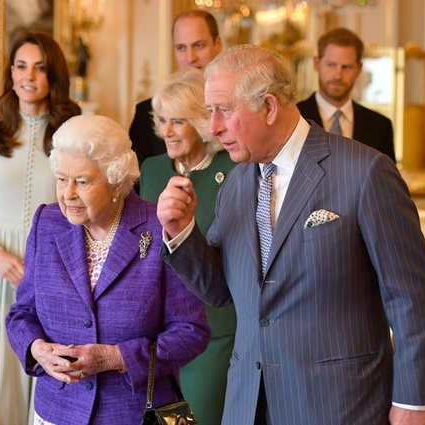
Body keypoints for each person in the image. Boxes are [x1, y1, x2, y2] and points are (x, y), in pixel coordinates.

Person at [157, 44, 425, 425]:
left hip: (339, 404)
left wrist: (414, 400)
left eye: (224, 110)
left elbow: (411, 296)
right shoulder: (238, 182)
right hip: (247, 405)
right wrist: (180, 232)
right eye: (211, 112)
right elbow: (220, 291)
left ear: (269, 107)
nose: (214, 127)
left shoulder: (365, 171)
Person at [5, 114, 210, 424]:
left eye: (82, 181)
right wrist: (37, 350)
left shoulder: (158, 227)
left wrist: (116, 358)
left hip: (133, 414)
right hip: (57, 412)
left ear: (115, 179)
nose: (68, 193)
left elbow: (192, 332)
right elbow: (22, 314)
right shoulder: (47, 223)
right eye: (61, 179)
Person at [0, 31, 81, 425]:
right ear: (10, 73)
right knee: (0, 368)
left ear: (53, 75)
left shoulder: (72, 134)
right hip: (0, 272)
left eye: (40, 68)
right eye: (21, 66)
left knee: (49, 366)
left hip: (56, 272)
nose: (29, 76)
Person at [139, 67, 237, 425]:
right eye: (162, 120)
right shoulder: (150, 170)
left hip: (215, 332)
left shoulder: (234, 170)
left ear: (201, 121)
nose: (166, 131)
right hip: (156, 336)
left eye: (178, 121)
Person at [129, 9, 223, 165]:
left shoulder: (234, 110)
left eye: (199, 45)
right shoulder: (145, 114)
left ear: (217, 44)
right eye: (181, 48)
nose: (190, 57)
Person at [297, 27, 396, 161]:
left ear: (359, 69)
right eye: (331, 65)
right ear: (316, 64)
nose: (338, 75)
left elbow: (385, 180)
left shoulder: (381, 127)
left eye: (346, 67)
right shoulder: (295, 117)